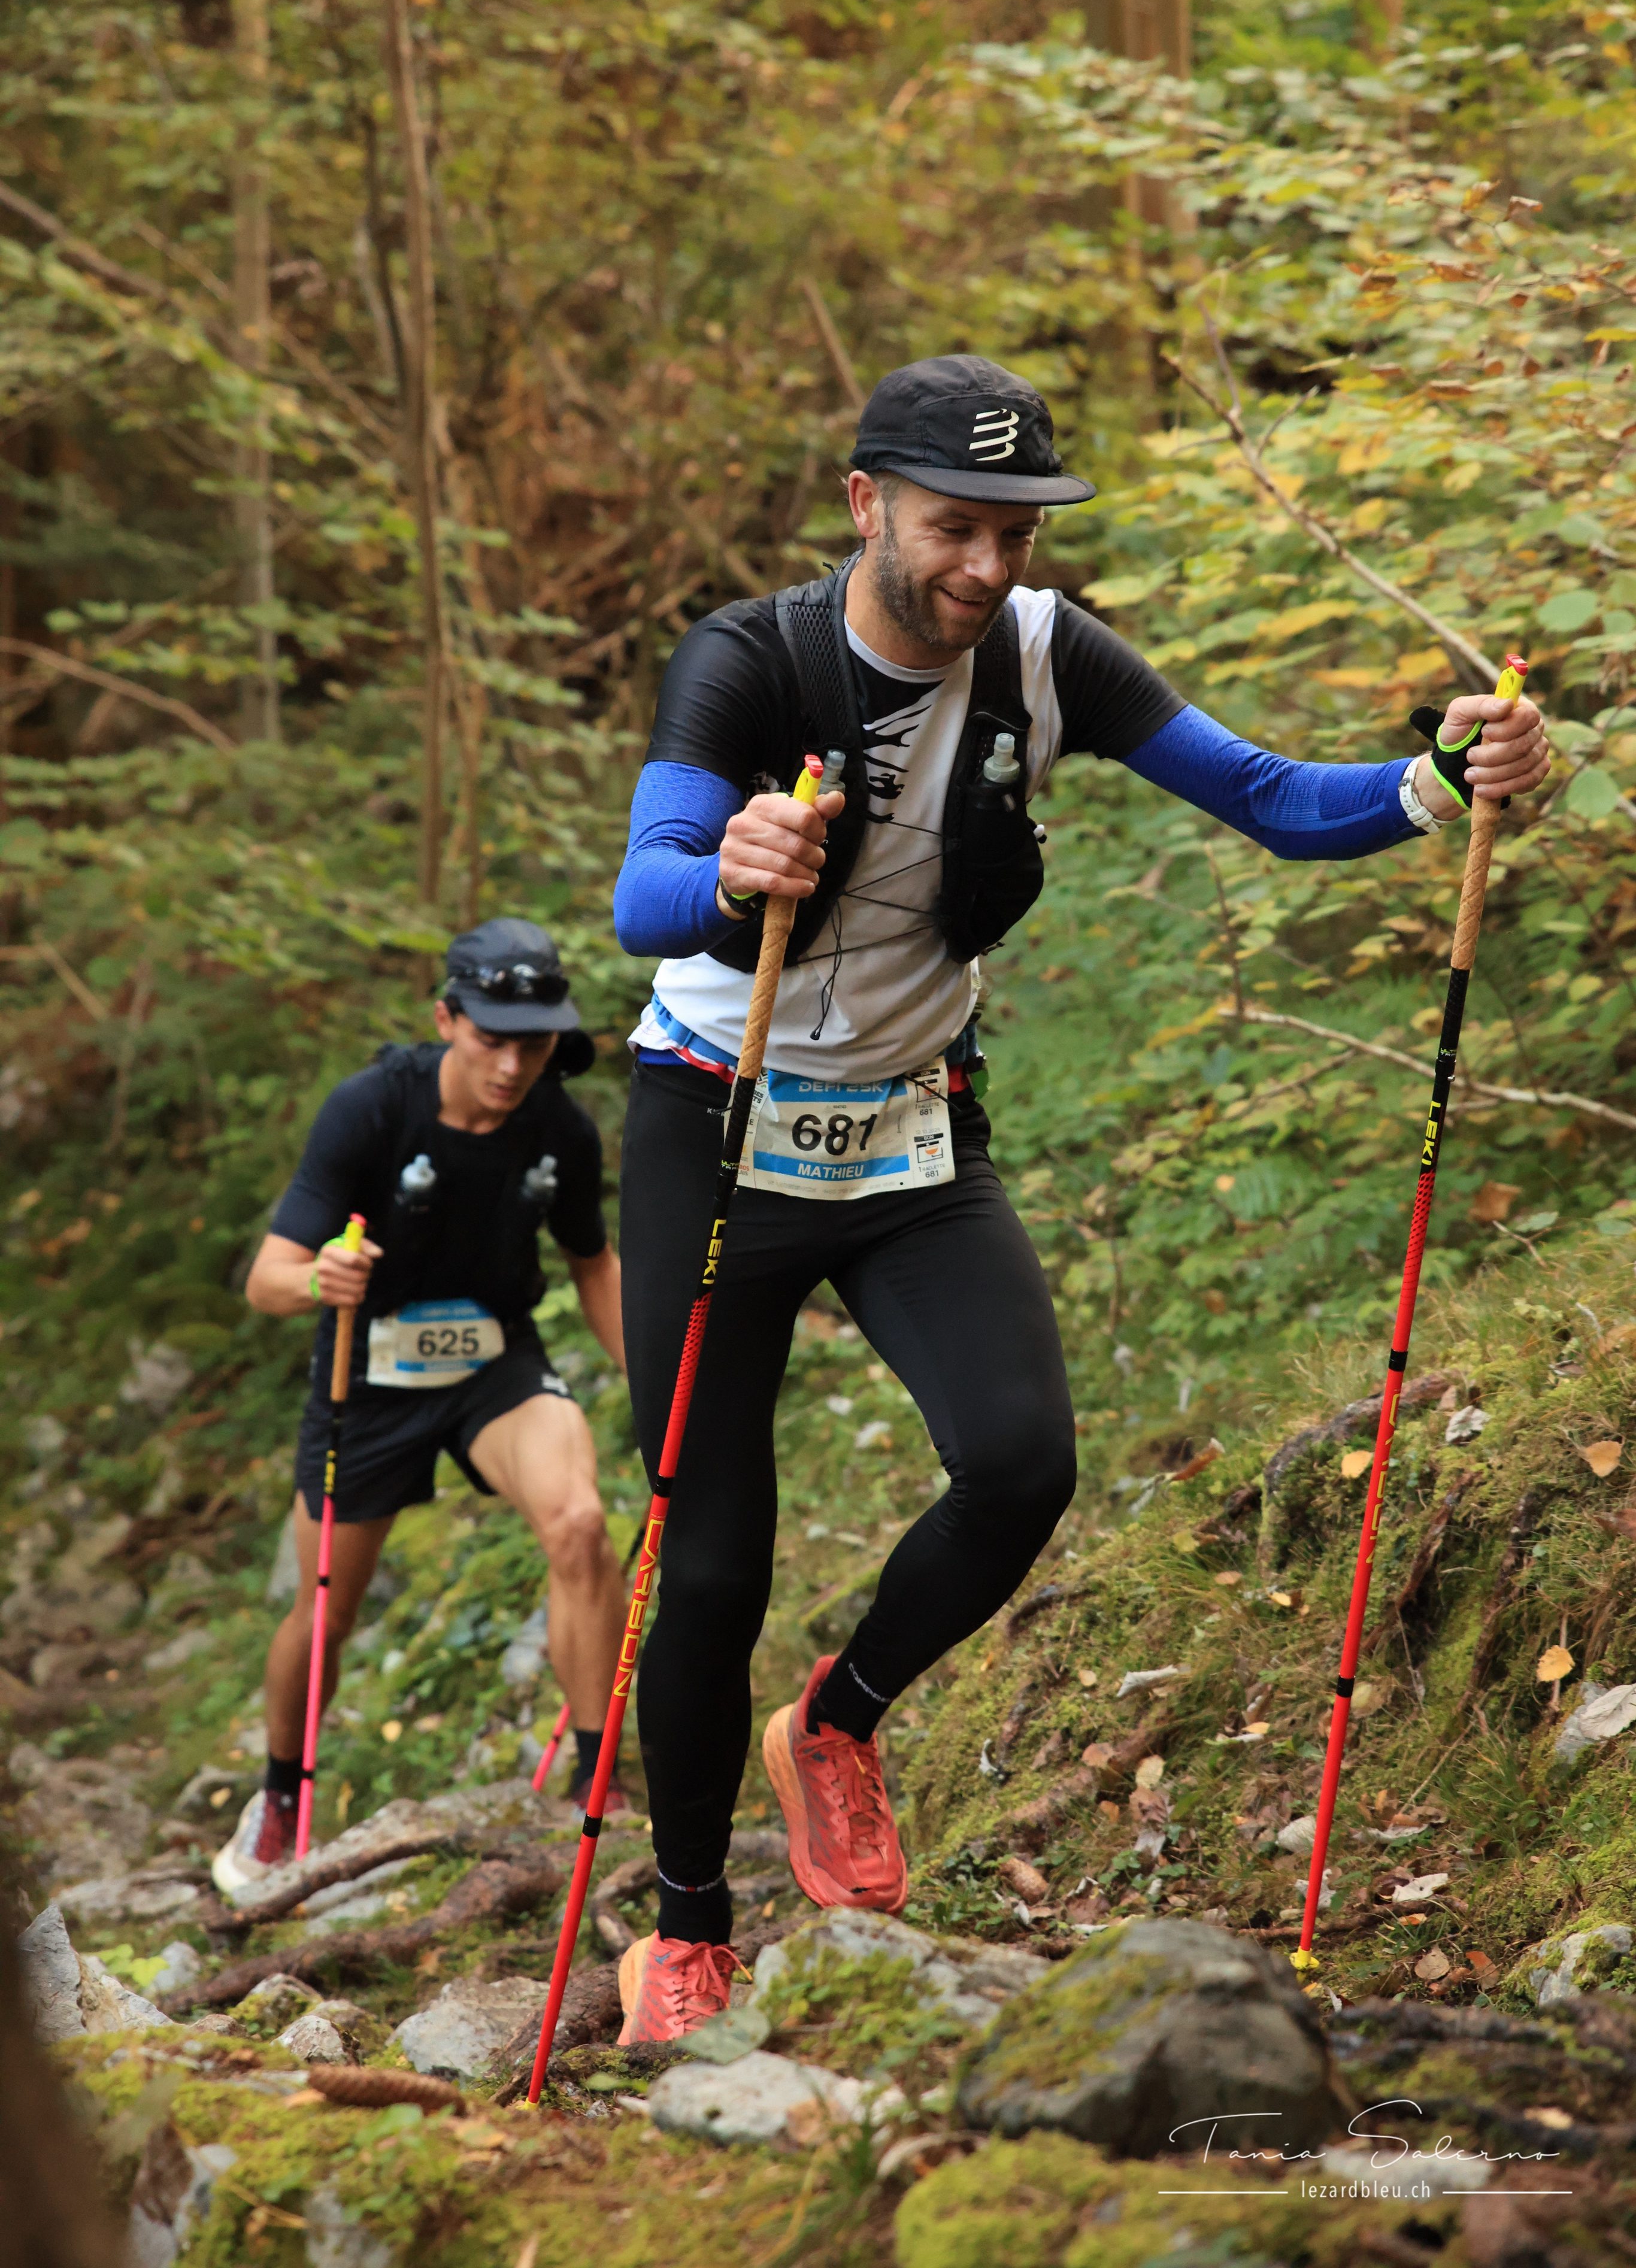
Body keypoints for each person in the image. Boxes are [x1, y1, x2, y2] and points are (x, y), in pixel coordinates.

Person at [607, 353, 1550, 2040]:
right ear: (866, 505)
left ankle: (838, 1720)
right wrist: (726, 876)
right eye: (952, 529)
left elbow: (1273, 801)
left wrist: (1434, 781)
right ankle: (684, 1932)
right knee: (715, 1557)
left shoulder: (1049, 656)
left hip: (909, 1132)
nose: (985, 566)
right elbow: (641, 892)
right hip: (716, 1120)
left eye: (1015, 533)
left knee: (1021, 1459)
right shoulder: (750, 659)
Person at [213, 917, 630, 1892]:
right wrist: (319, 1278)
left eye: (535, 1044)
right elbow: (267, 1280)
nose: (513, 1064)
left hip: (494, 1363)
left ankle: (595, 1779)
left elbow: (592, 1261)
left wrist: (657, 1391)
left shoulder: (559, 1129)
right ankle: (279, 1796)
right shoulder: (370, 1109)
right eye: (492, 1038)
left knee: (579, 1524)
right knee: (328, 1607)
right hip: (370, 1376)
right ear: (446, 1019)